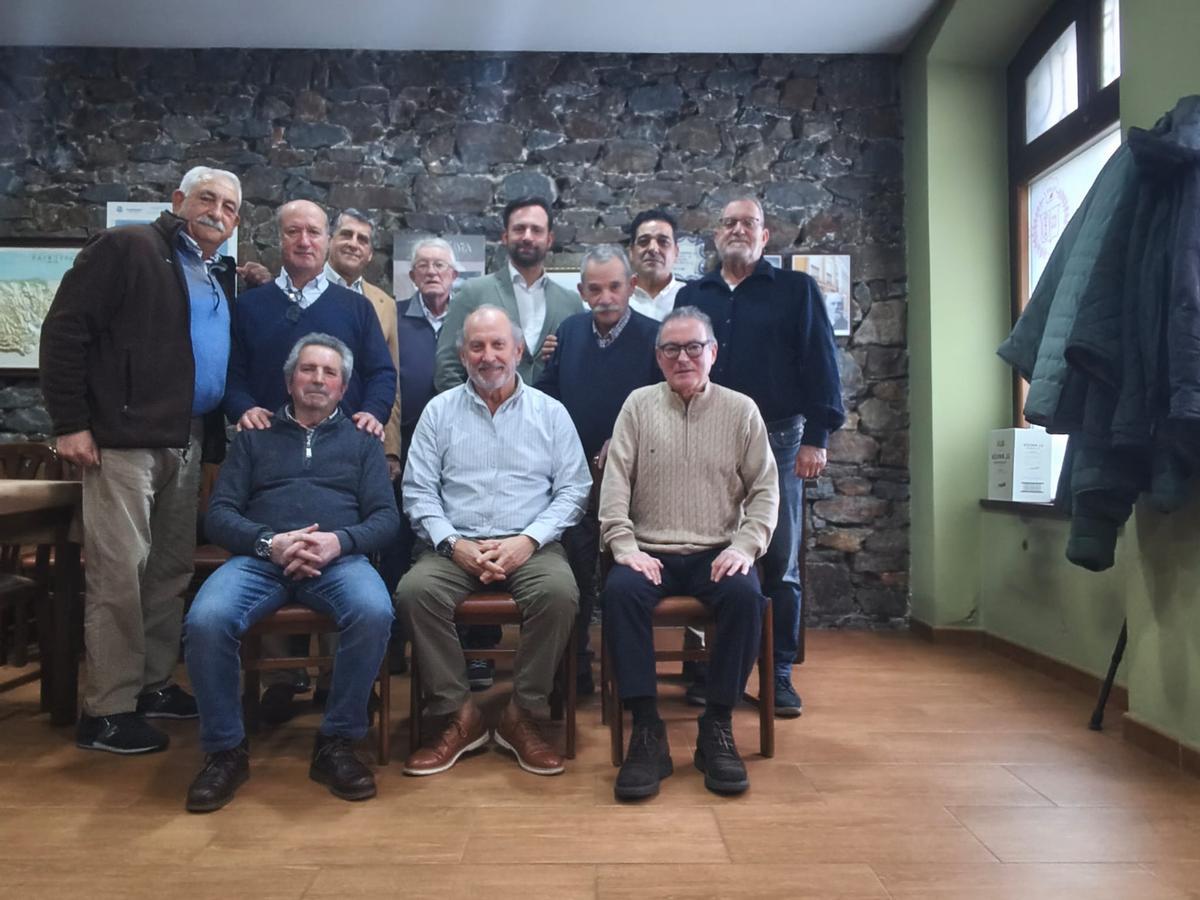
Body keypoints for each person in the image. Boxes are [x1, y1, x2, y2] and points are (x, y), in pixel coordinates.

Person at [40, 165, 243, 754]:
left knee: (168, 571)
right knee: (119, 573)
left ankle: (152, 685)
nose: (217, 212)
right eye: (207, 198)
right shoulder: (127, 247)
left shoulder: (211, 271)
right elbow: (64, 332)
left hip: (187, 437)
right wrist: (70, 424)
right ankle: (107, 709)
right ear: (179, 199)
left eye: (230, 207)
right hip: (123, 439)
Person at [182, 334, 398, 812]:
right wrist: (270, 543)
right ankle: (224, 750)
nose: (318, 379)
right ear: (289, 380)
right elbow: (219, 515)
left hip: (338, 560)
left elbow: (386, 519)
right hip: (260, 560)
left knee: (374, 611)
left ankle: (337, 742)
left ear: (343, 388)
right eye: (308, 369)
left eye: (329, 373)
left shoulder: (363, 442)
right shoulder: (253, 436)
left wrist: (338, 542)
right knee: (205, 619)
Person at [396, 306, 590, 778]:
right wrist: (452, 544)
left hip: (530, 545)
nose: (488, 356)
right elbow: (418, 491)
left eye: (498, 344)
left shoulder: (551, 413)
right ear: (463, 355)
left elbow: (574, 489)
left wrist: (528, 540)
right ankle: (458, 714)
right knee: (414, 593)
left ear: (518, 351)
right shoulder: (439, 412)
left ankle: (521, 713)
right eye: (477, 346)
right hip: (455, 545)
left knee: (559, 594)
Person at [223, 199, 397, 719]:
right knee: (274, 541)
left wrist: (372, 415)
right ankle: (281, 680)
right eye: (293, 232)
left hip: (341, 450)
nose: (304, 241)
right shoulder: (251, 306)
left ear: (326, 239)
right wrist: (243, 408)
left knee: (341, 557)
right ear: (279, 238)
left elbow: (381, 372)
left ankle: (336, 684)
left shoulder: (355, 307)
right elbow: (232, 374)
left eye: (314, 232)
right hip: (269, 448)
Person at [599, 307, 779, 800]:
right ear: (658, 357)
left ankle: (716, 725)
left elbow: (766, 490)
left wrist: (745, 546)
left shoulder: (741, 410)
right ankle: (647, 729)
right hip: (649, 552)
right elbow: (615, 485)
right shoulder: (637, 406)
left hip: (716, 551)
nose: (683, 358)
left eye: (694, 347)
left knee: (746, 596)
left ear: (712, 352)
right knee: (619, 594)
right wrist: (624, 545)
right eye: (671, 349)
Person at [677, 198, 845, 717]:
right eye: (729, 223)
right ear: (716, 234)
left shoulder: (797, 290)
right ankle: (705, 668)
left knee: (779, 560)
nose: (738, 230)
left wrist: (818, 436)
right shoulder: (693, 295)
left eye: (748, 223)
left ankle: (778, 671)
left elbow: (821, 362)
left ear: (765, 235)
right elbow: (675, 366)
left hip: (779, 440)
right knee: (703, 550)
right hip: (704, 438)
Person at [534, 245, 660, 695]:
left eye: (614, 287)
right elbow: (545, 397)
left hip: (637, 482)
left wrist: (623, 440)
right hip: (574, 479)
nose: (605, 297)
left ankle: (628, 674)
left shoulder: (654, 337)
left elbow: (664, 408)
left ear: (632, 286)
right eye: (595, 289)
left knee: (625, 579)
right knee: (575, 573)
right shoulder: (568, 333)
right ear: (582, 291)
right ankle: (576, 670)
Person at [433, 197, 579, 391]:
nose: (527, 237)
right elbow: (447, 368)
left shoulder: (571, 303)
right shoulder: (472, 293)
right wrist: (471, 408)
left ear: (549, 239)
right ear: (505, 236)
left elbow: (580, 368)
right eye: (519, 229)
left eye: (536, 230)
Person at [322, 208, 404, 475]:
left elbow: (390, 378)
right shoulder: (305, 289)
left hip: (363, 431)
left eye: (362, 239)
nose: (353, 244)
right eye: (346, 234)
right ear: (330, 240)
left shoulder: (385, 304)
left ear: (369, 254)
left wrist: (390, 448)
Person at [627, 208, 686, 321]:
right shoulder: (617, 297)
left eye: (663, 241)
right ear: (631, 252)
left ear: (676, 252)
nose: (653, 249)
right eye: (644, 241)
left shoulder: (691, 296)